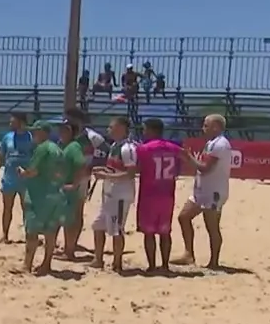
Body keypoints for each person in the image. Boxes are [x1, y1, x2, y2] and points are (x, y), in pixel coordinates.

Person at [174, 113, 233, 269]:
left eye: (206, 125)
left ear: (216, 127)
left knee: (212, 226)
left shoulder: (220, 144)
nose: (203, 128)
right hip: (202, 191)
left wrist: (188, 158)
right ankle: (189, 254)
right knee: (184, 217)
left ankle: (214, 262)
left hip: (214, 192)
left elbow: (205, 168)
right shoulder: (211, 143)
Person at [17, 121, 66, 276]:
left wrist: (22, 173)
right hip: (55, 194)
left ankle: (27, 265)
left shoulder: (42, 148)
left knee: (32, 232)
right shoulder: (57, 149)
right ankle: (46, 264)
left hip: (39, 195)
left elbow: (33, 171)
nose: (33, 135)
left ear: (42, 132)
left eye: (35, 132)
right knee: (50, 232)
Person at [89, 116, 138, 272]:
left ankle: (117, 263)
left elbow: (130, 173)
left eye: (111, 127)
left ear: (121, 129)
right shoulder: (114, 146)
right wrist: (103, 170)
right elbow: (115, 169)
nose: (108, 130)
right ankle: (98, 259)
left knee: (116, 229)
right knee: (98, 225)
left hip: (120, 194)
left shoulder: (127, 149)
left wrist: (106, 176)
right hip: (109, 192)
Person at [135, 118, 182, 273]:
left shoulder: (144, 149)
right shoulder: (174, 148)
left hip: (149, 193)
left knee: (149, 233)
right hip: (167, 193)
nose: (143, 132)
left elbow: (136, 168)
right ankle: (165, 265)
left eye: (145, 129)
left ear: (152, 130)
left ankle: (152, 266)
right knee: (165, 231)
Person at [0, 113, 33, 243]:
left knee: (26, 208)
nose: (10, 124)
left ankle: (29, 235)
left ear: (20, 122)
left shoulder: (30, 137)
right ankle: (5, 235)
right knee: (7, 208)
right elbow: (1, 156)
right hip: (9, 177)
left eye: (12, 122)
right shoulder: (7, 137)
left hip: (26, 179)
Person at [57, 120, 90, 259]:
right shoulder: (67, 146)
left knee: (70, 220)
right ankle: (68, 249)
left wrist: (75, 184)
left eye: (63, 130)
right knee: (69, 219)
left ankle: (69, 251)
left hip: (70, 188)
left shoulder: (73, 147)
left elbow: (82, 165)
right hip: (67, 186)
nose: (60, 132)